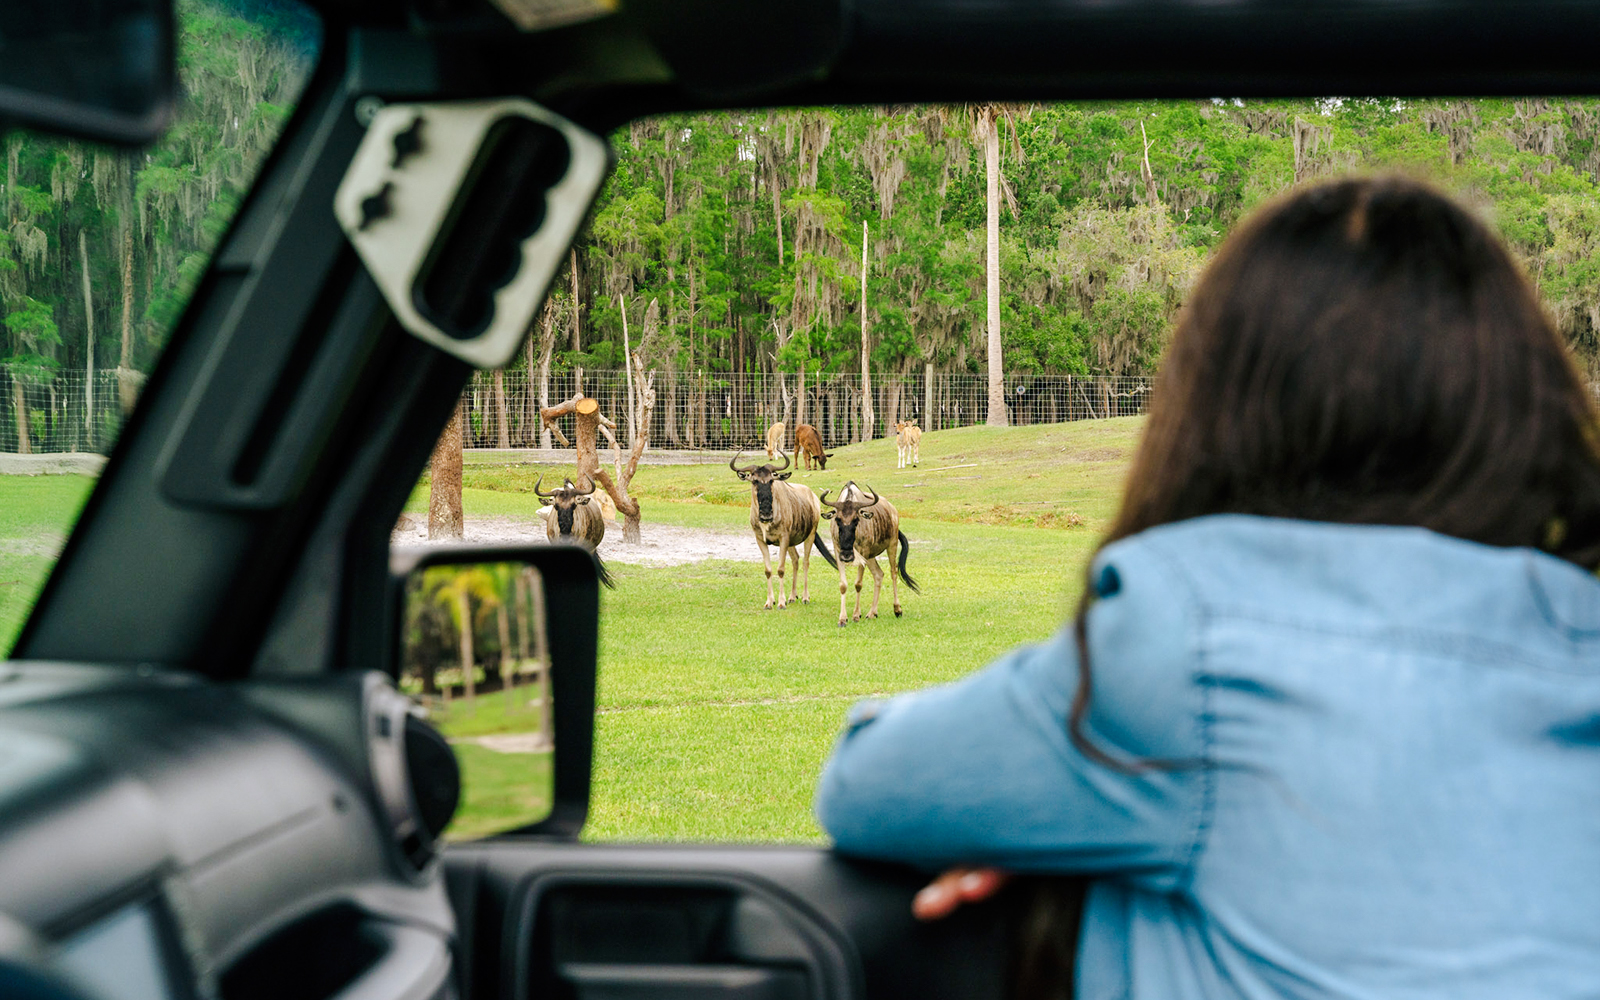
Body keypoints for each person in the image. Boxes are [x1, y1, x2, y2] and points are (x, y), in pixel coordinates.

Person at [813, 176, 1600, 999]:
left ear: (1221, 401)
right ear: (1518, 399)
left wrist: (1052, 848)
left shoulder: (1190, 638)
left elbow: (869, 781)